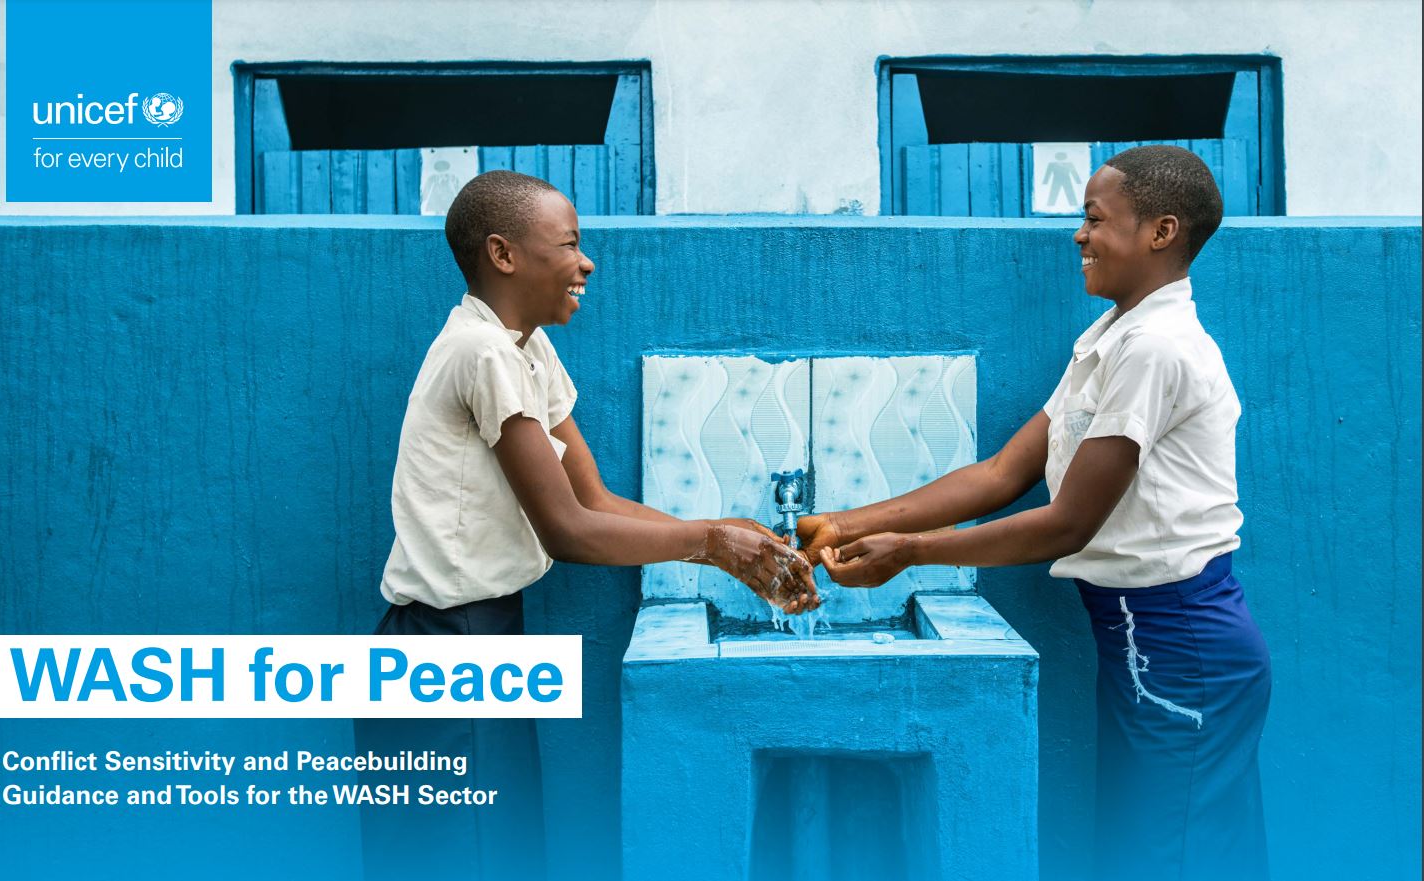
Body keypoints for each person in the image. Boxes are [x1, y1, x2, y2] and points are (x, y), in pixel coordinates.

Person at [799, 145, 1270, 881]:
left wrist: (911, 552)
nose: (1078, 235)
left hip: (1179, 644)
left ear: (1160, 231)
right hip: (1146, 642)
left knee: (1172, 856)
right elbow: (1000, 472)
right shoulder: (1109, 342)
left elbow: (1066, 522)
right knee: (1170, 850)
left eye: (1093, 218)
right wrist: (850, 521)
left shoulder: (1155, 348)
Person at [355, 170, 818, 881]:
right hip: (444, 643)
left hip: (481, 632)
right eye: (569, 244)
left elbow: (594, 497)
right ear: (504, 254)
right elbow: (568, 530)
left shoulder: (522, 348)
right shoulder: (481, 353)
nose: (587, 261)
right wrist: (710, 543)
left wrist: (723, 531)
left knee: (495, 849)